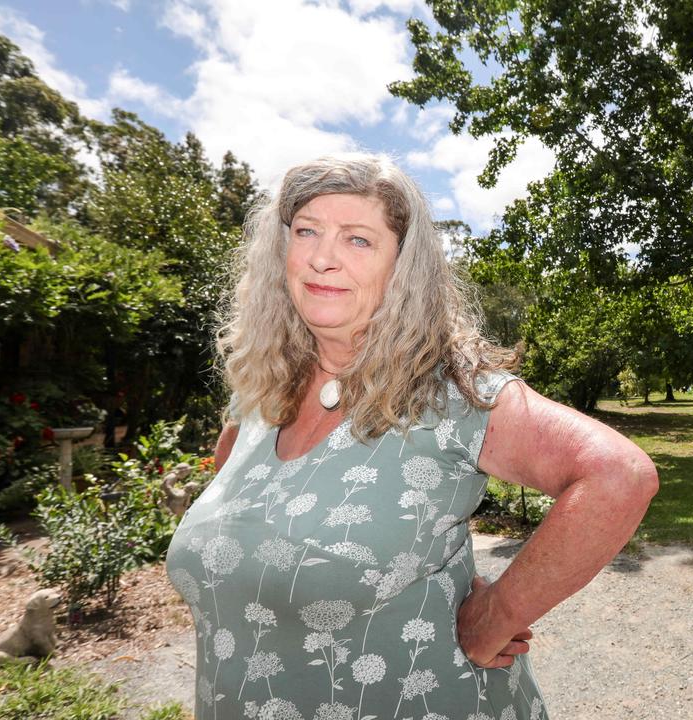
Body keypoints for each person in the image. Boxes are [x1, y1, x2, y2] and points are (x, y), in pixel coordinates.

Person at [166, 154, 659, 720]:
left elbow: (617, 475)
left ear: (402, 269)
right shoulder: (255, 397)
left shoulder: (454, 396)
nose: (323, 257)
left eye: (358, 240)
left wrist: (494, 614)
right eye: (306, 231)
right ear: (280, 252)